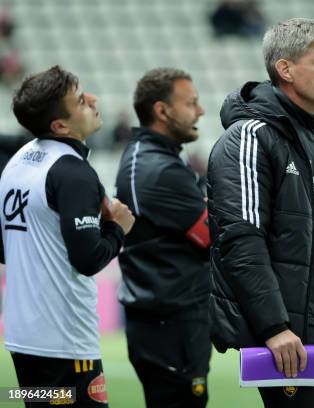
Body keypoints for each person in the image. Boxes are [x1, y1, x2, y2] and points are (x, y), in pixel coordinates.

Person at [208, 18, 314, 408]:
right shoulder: (249, 136)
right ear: (285, 69)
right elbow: (240, 240)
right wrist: (274, 327)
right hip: (287, 338)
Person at [0, 65, 134, 407]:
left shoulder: (16, 163)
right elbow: (88, 259)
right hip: (65, 340)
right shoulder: (73, 173)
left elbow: (5, 248)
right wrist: (118, 226)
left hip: (21, 336)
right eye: (80, 100)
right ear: (60, 125)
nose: (93, 99)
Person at [114, 68, 211, 408]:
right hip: (169, 323)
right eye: (191, 103)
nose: (199, 111)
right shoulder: (160, 168)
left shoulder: (154, 158)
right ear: (162, 110)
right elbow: (212, 235)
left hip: (165, 320)